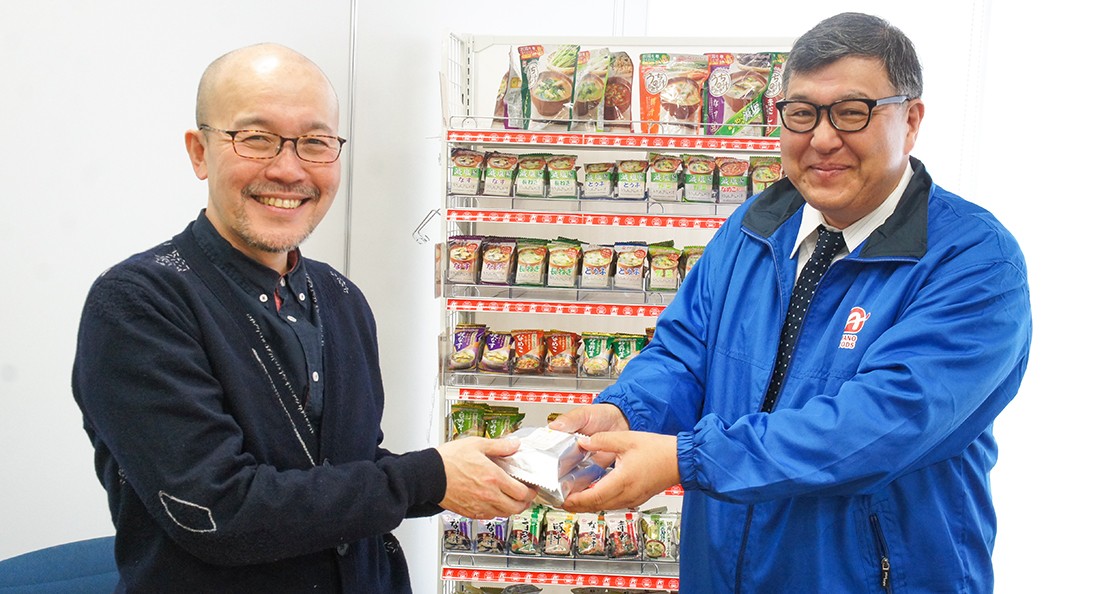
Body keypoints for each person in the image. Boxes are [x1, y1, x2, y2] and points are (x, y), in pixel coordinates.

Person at [551, 12, 1031, 593]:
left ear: (911, 120)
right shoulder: (755, 229)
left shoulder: (972, 260)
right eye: (802, 113)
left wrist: (687, 459)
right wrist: (626, 413)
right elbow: (681, 355)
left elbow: (880, 424)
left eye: (852, 112)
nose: (822, 138)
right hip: (723, 571)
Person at [71, 43, 536, 592]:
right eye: (257, 138)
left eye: (315, 143)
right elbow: (220, 510)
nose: (289, 169)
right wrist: (425, 476)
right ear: (199, 152)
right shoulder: (138, 303)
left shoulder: (341, 298)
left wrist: (472, 474)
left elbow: (340, 470)